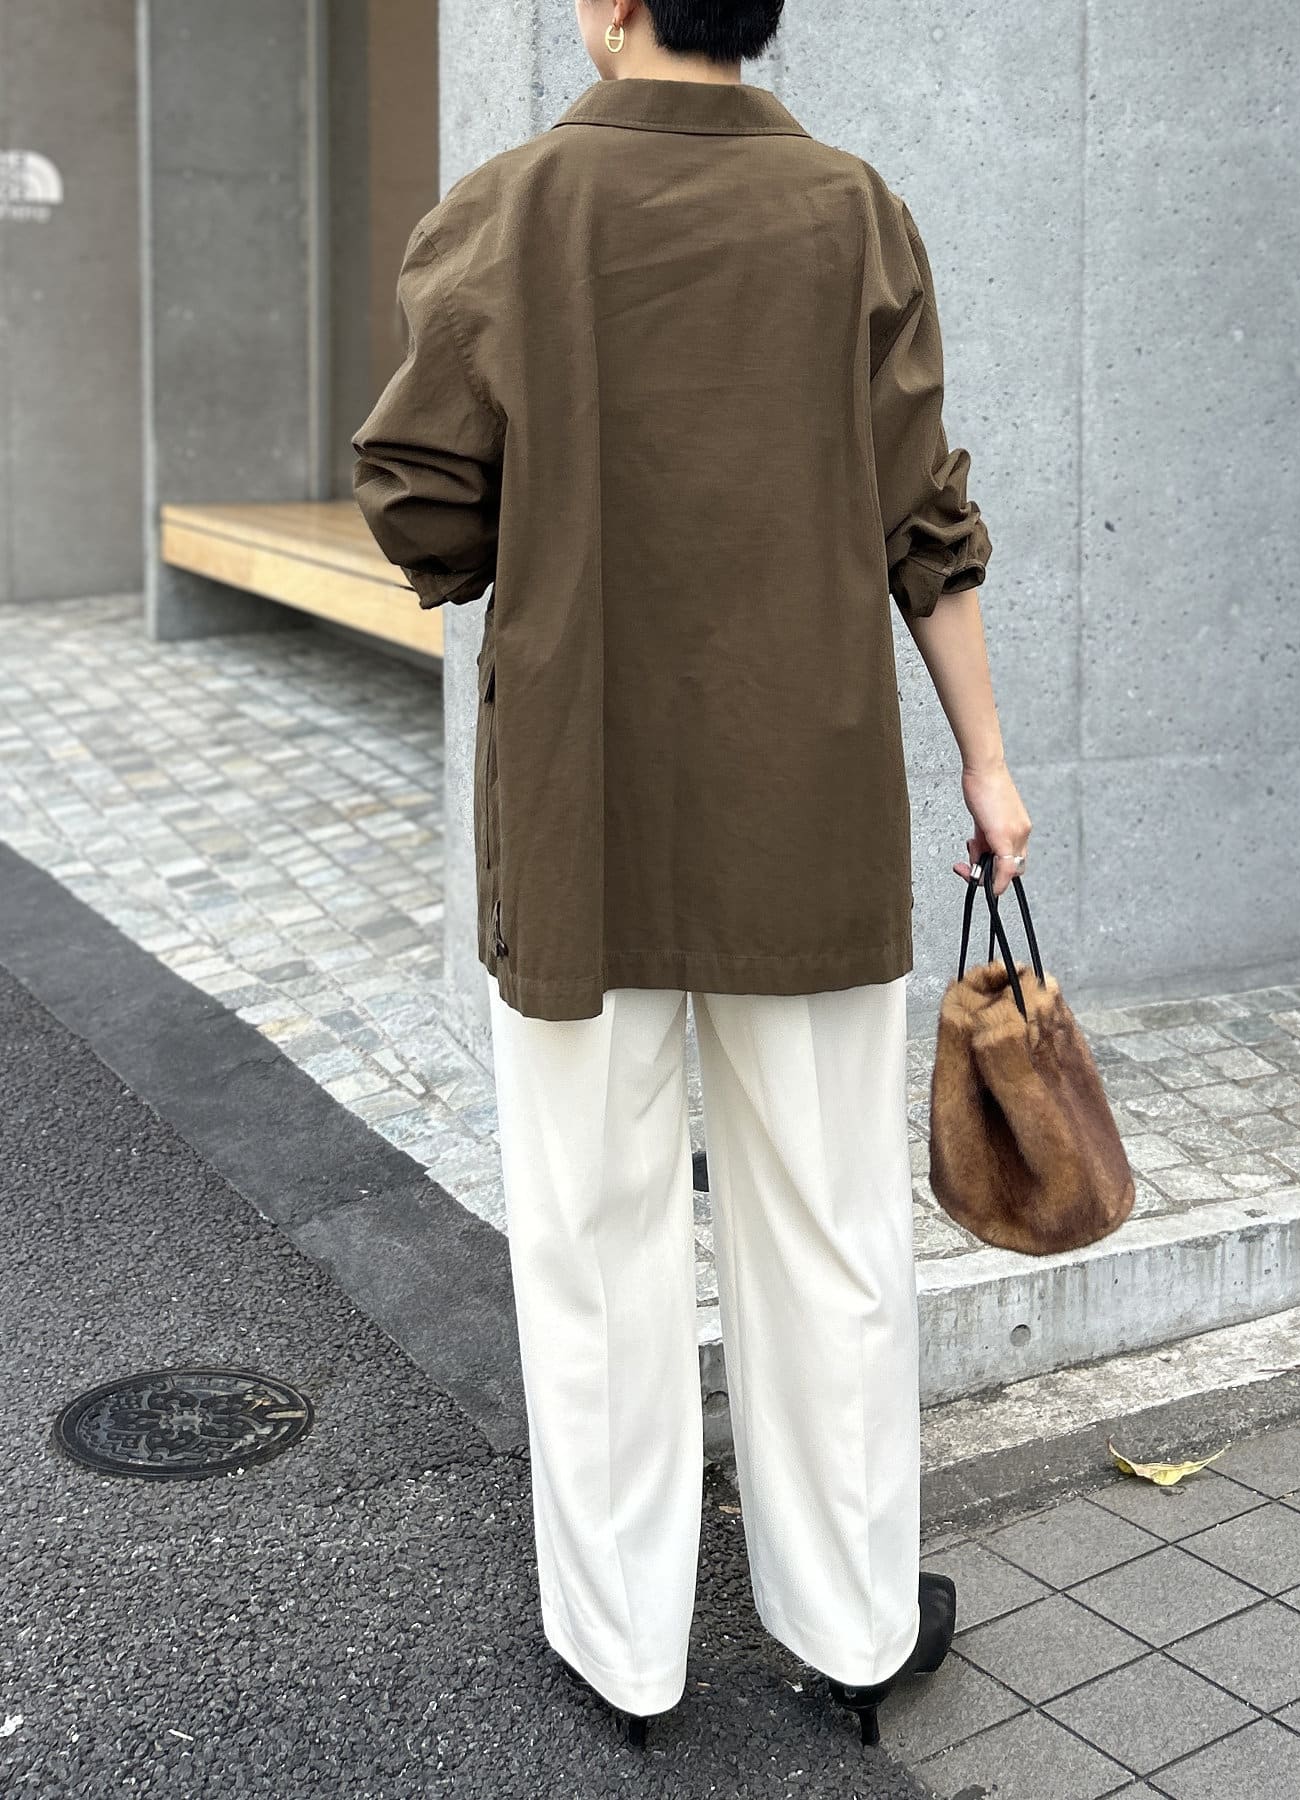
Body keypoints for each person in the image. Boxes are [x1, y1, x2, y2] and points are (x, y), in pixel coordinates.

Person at [350, 0, 1031, 1753]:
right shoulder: (853, 211)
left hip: (583, 802)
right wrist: (987, 762)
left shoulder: (512, 207)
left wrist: (544, 536)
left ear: (613, 5)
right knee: (831, 1226)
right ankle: (855, 1628)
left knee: (594, 1233)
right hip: (805, 804)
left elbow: (417, 499)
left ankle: (623, 1650)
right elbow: (923, 517)